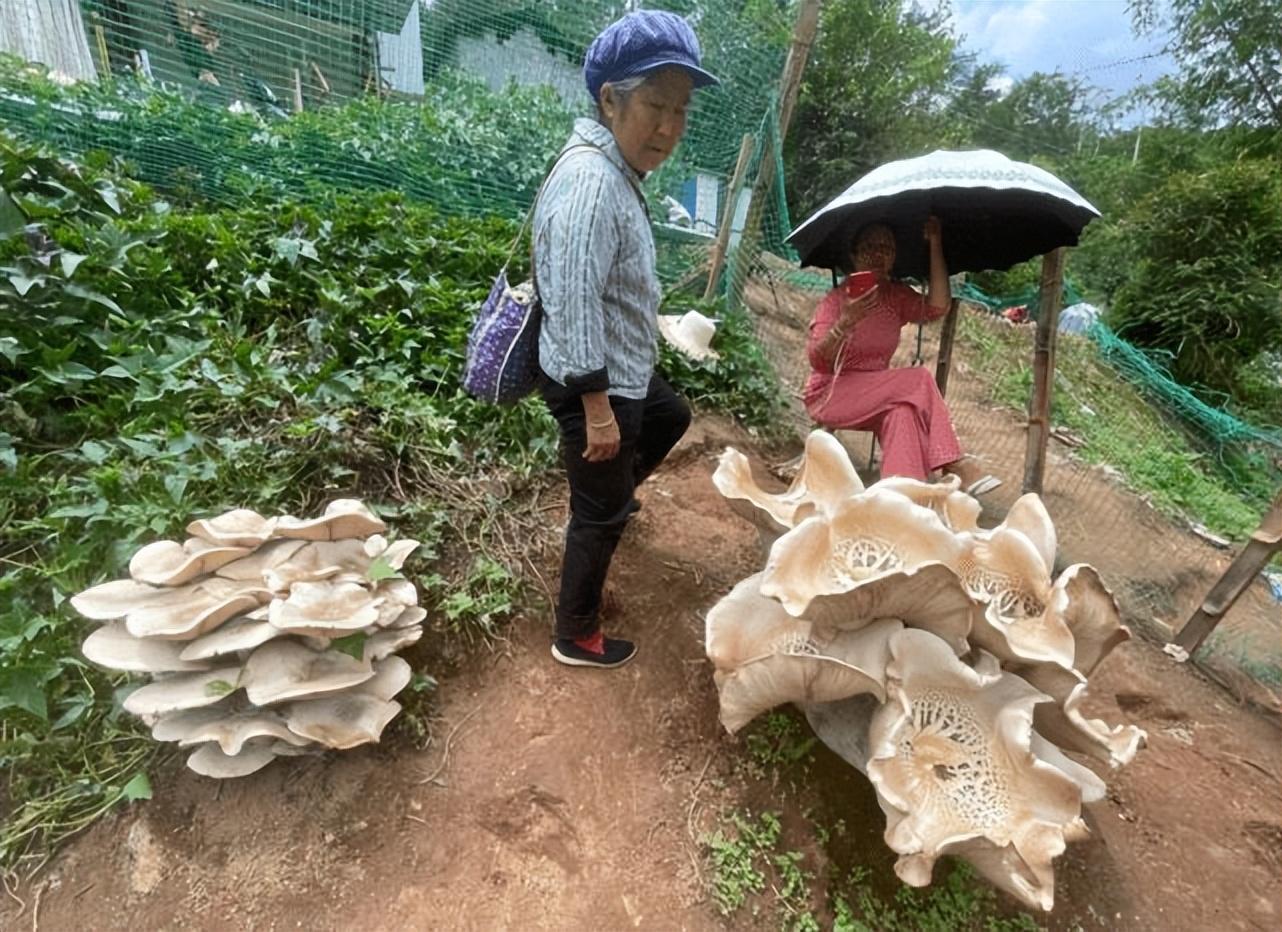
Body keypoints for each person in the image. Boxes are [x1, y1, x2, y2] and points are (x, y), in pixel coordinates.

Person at [534, 11, 719, 669]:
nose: (669, 127)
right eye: (655, 106)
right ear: (610, 99)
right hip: (595, 378)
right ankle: (575, 634)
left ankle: (606, 496)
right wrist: (595, 407)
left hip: (620, 369)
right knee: (600, 517)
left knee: (671, 414)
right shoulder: (591, 180)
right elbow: (573, 299)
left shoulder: (614, 171)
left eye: (681, 110)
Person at [803, 218, 1001, 494]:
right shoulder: (836, 301)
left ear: (894, 256)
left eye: (887, 248)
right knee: (918, 379)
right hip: (832, 394)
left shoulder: (894, 297)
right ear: (854, 255)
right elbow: (817, 359)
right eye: (870, 247)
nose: (878, 254)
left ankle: (903, 498)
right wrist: (845, 322)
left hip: (877, 395)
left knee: (902, 413)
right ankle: (953, 462)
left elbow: (938, 306)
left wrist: (935, 243)